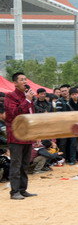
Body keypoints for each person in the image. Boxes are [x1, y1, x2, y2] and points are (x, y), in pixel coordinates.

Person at [4, 72, 37, 200]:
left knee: (25, 164)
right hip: (16, 136)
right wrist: (27, 100)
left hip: (28, 136)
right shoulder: (10, 96)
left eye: (25, 79)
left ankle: (23, 190)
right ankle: (14, 191)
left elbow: (31, 116)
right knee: (16, 165)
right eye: (22, 80)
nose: (25, 82)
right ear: (15, 83)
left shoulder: (27, 96)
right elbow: (14, 114)